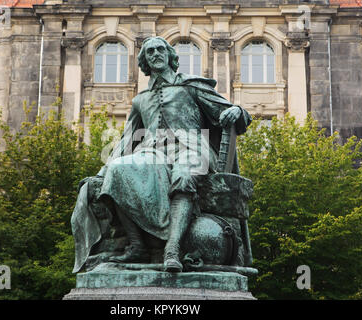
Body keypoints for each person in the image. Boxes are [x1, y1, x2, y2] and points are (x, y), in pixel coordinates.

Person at [71, 36, 252, 273]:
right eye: (149, 52)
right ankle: (137, 246)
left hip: (192, 148)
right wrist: (102, 173)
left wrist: (237, 111)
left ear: (169, 56)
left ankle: (173, 248)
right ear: (145, 61)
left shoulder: (191, 86)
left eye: (160, 50)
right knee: (116, 171)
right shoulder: (140, 100)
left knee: (184, 175)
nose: (155, 54)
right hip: (153, 151)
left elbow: (233, 112)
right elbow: (126, 141)